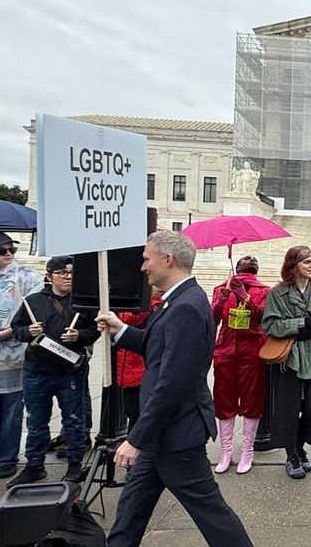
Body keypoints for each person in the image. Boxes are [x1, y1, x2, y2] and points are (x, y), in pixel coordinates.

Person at [95, 230, 252, 546]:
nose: (143, 267)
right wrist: (122, 329)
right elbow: (158, 348)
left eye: (146, 259)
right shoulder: (177, 301)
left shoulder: (186, 307)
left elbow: (172, 383)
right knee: (130, 510)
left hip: (176, 435)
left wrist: (136, 438)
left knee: (212, 515)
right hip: (161, 435)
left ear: (167, 259)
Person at [7, 256, 99, 487]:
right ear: (49, 277)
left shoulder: (83, 302)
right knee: (37, 421)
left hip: (71, 372)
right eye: (61, 273)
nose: (67, 276)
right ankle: (34, 465)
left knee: (74, 420)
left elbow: (95, 330)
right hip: (37, 371)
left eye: (70, 272)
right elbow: (17, 329)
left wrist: (80, 336)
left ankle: (75, 462)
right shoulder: (33, 301)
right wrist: (29, 331)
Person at [261, 245, 311, 479]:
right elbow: (270, 325)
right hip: (289, 361)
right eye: (307, 262)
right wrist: (300, 325)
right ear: (293, 267)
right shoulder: (278, 293)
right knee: (289, 410)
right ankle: (292, 454)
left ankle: (300, 446)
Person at [0, 231, 43, 479]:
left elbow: (37, 311)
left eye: (12, 250)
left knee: (11, 410)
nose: (9, 254)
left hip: (13, 354)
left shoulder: (26, 277)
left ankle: (7, 458)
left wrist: (8, 332)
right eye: (2, 250)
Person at [211, 255, 270, 474]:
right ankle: (225, 451)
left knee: (251, 398)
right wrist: (221, 300)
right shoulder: (221, 288)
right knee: (224, 398)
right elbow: (213, 319)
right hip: (226, 347)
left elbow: (265, 317)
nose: (248, 267)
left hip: (252, 348)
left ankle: (247, 450)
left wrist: (245, 297)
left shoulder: (264, 291)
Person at [115, 286, 164, 431]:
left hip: (151, 368)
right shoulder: (135, 301)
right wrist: (146, 299)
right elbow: (129, 319)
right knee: (134, 412)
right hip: (131, 369)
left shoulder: (168, 302)